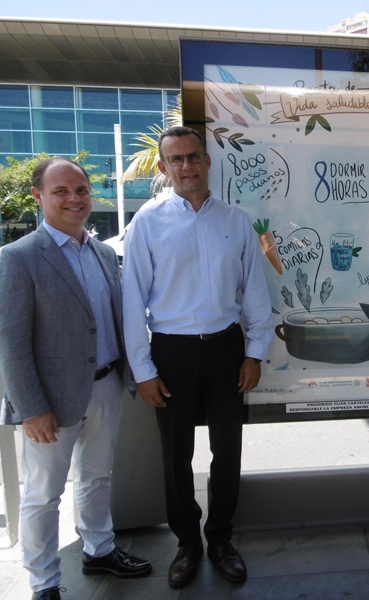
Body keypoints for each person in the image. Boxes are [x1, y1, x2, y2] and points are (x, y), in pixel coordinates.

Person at [0, 158, 152, 600]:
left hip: (106, 386)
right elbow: (10, 341)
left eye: (81, 190)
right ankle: (43, 582)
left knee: (98, 477)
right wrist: (31, 408)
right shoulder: (17, 258)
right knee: (43, 495)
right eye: (61, 191)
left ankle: (100, 549)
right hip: (50, 401)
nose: (74, 198)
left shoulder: (102, 253)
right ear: (38, 197)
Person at [122, 126, 273, 589]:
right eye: (176, 160)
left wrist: (255, 352)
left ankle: (221, 539)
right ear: (164, 168)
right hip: (172, 351)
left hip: (227, 348)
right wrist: (143, 370)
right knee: (175, 456)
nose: (186, 166)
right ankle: (187, 542)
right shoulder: (147, 221)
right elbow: (132, 300)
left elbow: (254, 292)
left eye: (193, 157)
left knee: (227, 451)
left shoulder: (236, 220)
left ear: (207, 161)